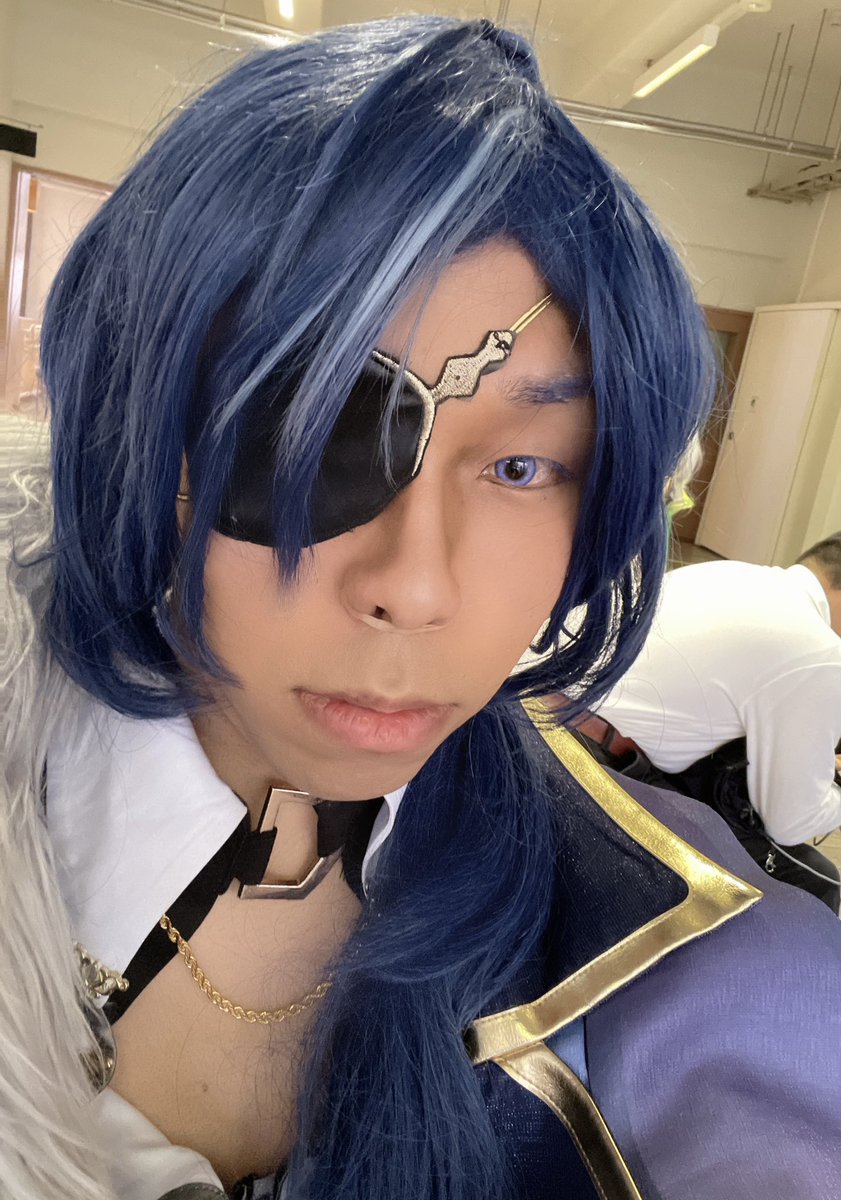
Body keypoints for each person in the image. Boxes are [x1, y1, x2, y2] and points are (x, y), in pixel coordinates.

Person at [2, 17, 841, 1200]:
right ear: (137, 432)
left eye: (523, 467)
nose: (416, 586)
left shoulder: (695, 986)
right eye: (306, 435)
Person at [587, 538, 841, 911]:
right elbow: (792, 823)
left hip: (561, 721)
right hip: (602, 768)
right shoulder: (822, 651)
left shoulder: (735, 575)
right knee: (817, 884)